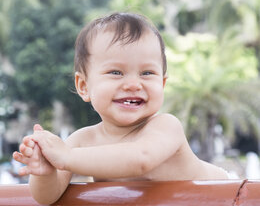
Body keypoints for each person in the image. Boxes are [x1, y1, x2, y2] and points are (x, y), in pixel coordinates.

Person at [12, 12, 229, 205]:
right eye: (116, 72)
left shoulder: (165, 127)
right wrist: (45, 173)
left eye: (147, 73)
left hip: (227, 197)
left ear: (162, 84)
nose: (134, 84)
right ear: (84, 86)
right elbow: (48, 197)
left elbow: (140, 159)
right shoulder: (82, 141)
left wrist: (66, 156)